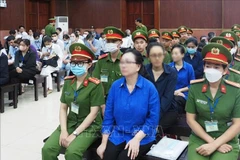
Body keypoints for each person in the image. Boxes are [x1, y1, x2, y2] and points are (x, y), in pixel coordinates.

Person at [42, 43, 105, 160]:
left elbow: (93, 114)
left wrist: (74, 134)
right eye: (73, 63)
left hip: (90, 126)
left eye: (80, 63)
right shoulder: (67, 82)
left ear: (89, 64)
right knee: (47, 149)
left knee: (72, 153)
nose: (76, 66)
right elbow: (63, 108)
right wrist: (64, 131)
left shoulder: (95, 85)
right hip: (71, 122)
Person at [97, 49, 160, 160]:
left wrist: (136, 139)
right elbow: (108, 117)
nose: (123, 65)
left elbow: (153, 119)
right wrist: (103, 143)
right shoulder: (116, 86)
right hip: (118, 134)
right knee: (107, 156)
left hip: (142, 136)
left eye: (128, 62)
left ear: (138, 66)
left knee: (124, 158)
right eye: (122, 62)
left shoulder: (149, 88)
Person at [186, 43, 240, 160]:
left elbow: (237, 124)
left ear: (225, 70)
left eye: (216, 67)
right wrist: (212, 142)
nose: (211, 70)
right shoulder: (195, 88)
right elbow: (190, 119)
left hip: (226, 139)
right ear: (204, 68)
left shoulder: (235, 91)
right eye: (208, 66)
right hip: (200, 138)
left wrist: (216, 144)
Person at [145, 42, 178, 131]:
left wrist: (154, 119)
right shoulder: (143, 71)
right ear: (148, 57)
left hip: (166, 109)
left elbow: (167, 97)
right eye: (153, 55)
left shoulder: (171, 72)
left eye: (160, 55)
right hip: (147, 107)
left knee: (154, 128)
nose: (157, 58)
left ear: (164, 55)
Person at [92, 26, 125, 98]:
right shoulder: (101, 61)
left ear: (121, 42)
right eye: (108, 41)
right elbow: (95, 80)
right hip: (104, 99)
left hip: (122, 98)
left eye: (113, 41)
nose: (110, 43)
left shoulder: (126, 60)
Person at [169, 44, 195, 113]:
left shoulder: (189, 67)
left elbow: (192, 85)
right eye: (172, 54)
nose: (173, 55)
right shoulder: (168, 67)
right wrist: (173, 92)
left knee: (177, 101)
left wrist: (180, 91)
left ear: (182, 55)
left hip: (184, 94)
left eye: (176, 53)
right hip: (171, 94)